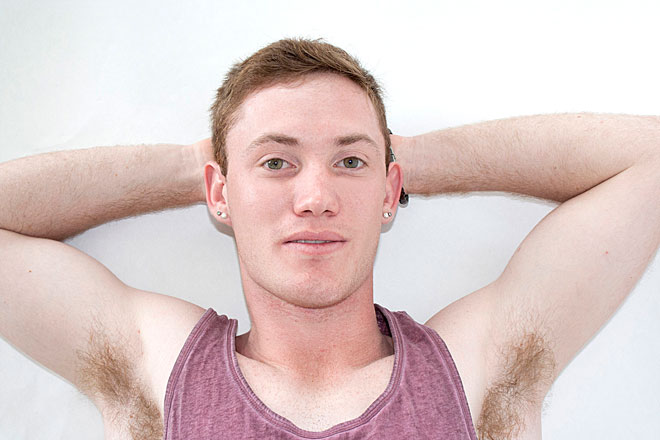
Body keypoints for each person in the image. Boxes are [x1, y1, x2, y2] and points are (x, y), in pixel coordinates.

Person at [0, 38, 658, 439]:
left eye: (348, 162)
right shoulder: (161, 370)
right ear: (220, 193)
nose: (315, 197)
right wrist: (196, 168)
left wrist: (402, 163)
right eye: (276, 162)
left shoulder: (474, 372)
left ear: (388, 190)